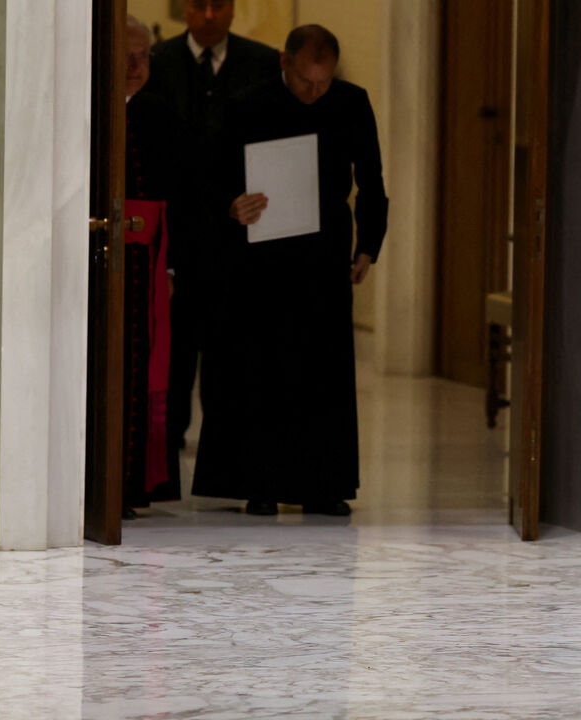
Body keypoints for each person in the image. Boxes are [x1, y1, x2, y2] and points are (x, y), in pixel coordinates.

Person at [192, 24, 389, 517]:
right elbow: (211, 175)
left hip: (324, 257)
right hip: (260, 258)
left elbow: (371, 180)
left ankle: (323, 484)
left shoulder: (350, 102)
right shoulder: (247, 104)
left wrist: (369, 246)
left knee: (323, 370)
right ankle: (260, 482)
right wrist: (231, 207)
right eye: (306, 82)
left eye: (323, 83)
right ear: (285, 63)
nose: (314, 92)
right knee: (262, 366)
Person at [143, 0, 280, 455]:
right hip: (178, 220)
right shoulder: (157, 61)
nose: (207, 15)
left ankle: (226, 436)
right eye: (198, 6)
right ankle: (169, 430)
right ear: (184, 10)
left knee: (230, 338)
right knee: (177, 337)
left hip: (239, 224)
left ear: (233, 10)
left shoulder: (261, 61)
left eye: (217, 5)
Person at [122, 15, 180, 516]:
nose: (136, 66)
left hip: (151, 264)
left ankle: (138, 484)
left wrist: (173, 264)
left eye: (144, 57)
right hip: (105, 264)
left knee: (146, 366)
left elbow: (177, 193)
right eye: (126, 55)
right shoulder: (88, 107)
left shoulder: (159, 112)